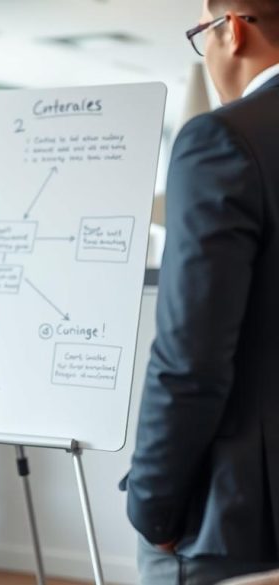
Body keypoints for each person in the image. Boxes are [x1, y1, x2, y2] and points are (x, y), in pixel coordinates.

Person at [125, 1, 279, 583]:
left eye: (201, 32)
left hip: (237, 517)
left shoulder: (224, 139)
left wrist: (153, 507)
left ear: (232, 29)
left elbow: (191, 357)